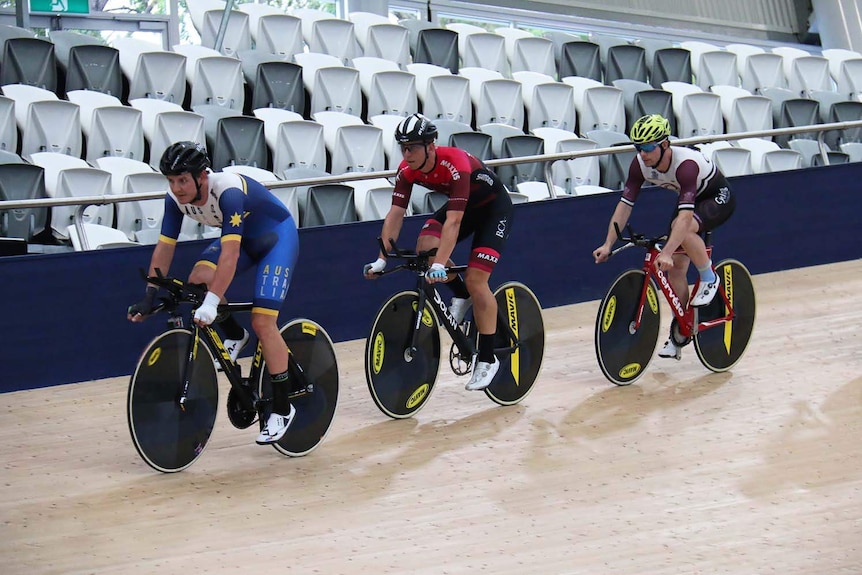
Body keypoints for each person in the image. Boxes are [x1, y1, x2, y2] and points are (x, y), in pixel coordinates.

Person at [127, 141, 300, 444]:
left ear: (202, 176)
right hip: (246, 239)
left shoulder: (229, 192)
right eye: (171, 180)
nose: (177, 188)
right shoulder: (174, 199)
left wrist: (211, 302)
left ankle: (283, 409)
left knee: (262, 322)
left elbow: (230, 256)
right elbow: (165, 247)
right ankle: (234, 335)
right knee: (198, 278)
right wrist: (150, 295)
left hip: (277, 237)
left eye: (182, 180)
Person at [363, 113, 514, 391]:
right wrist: (382, 258)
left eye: (413, 148)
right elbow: (395, 214)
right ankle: (463, 296)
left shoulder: (455, 164)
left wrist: (441, 264)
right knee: (425, 247)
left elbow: (454, 222)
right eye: (403, 148)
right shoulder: (406, 171)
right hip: (465, 207)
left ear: (430, 146)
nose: (406, 154)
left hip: (493, 210)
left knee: (476, 279)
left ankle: (488, 358)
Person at [592, 114, 735, 360]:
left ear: (665, 144)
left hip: (716, 197)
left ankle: (709, 277)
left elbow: (685, 218)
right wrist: (608, 244)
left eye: (648, 147)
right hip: (688, 200)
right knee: (676, 269)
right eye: (638, 147)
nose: (643, 153)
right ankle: (681, 329)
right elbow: (625, 206)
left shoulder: (685, 165)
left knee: (685, 229)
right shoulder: (639, 165)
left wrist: (667, 251)